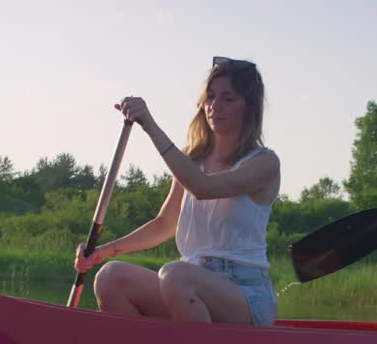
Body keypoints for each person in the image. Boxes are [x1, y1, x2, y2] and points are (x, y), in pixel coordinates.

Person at [73, 57, 281, 326]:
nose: (215, 106)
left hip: (244, 295)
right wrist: (103, 251)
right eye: (211, 97)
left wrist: (150, 125)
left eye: (228, 99)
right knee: (111, 278)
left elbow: (202, 188)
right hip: (187, 286)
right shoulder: (192, 161)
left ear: (248, 107)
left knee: (175, 275)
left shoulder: (264, 163)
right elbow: (164, 224)